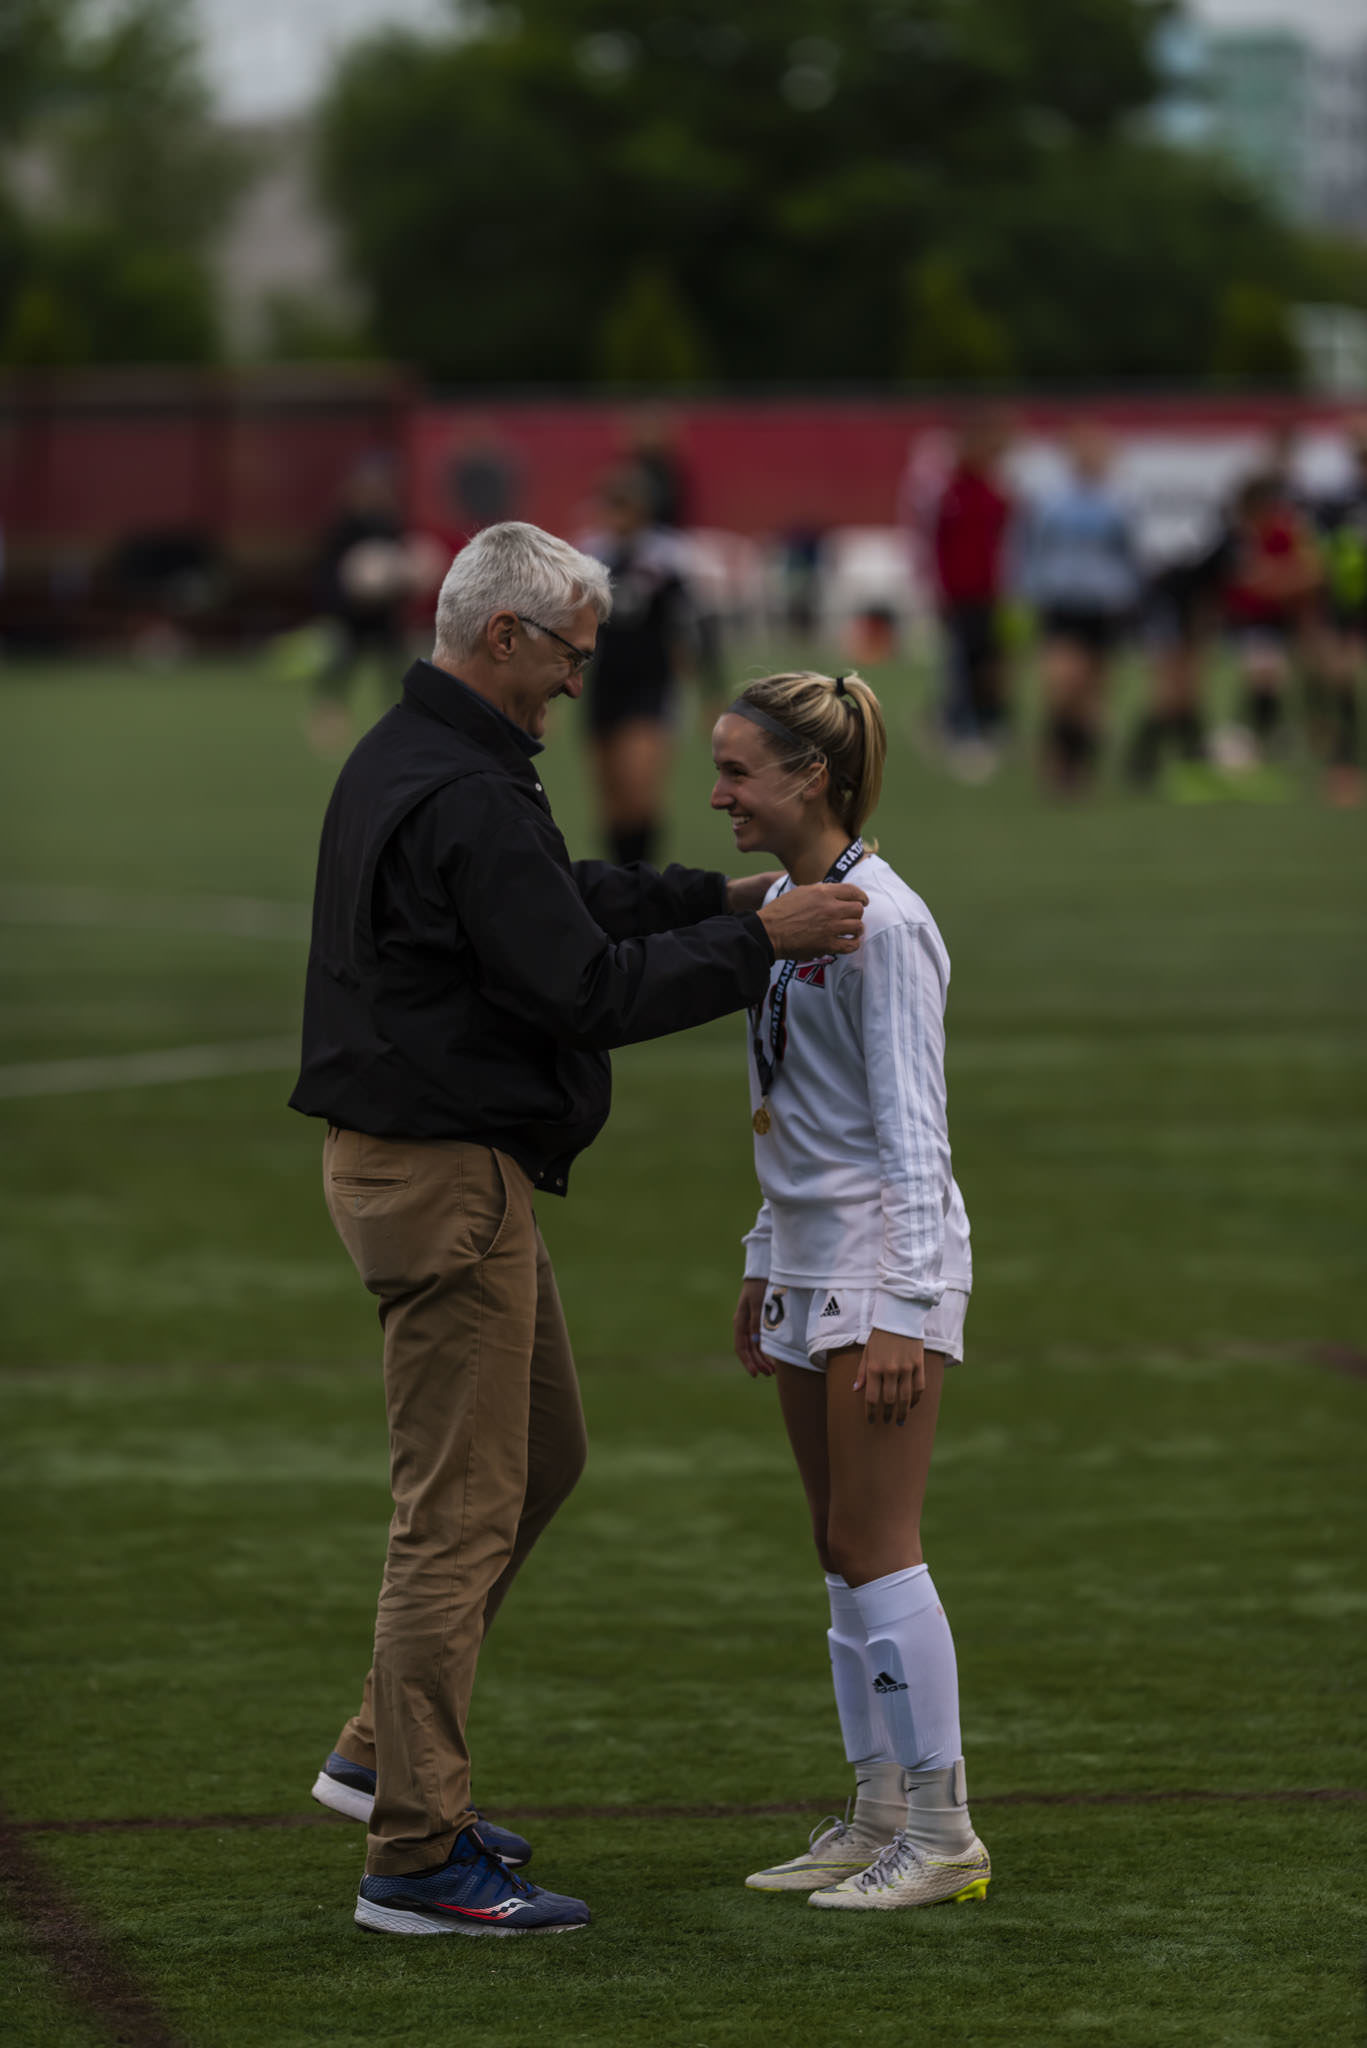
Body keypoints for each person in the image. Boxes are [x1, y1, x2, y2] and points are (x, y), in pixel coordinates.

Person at [289, 522, 868, 1939]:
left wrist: (719, 897)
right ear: (503, 638)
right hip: (443, 1179)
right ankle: (415, 1860)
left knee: (541, 1459)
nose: (580, 680)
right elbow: (580, 988)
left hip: (432, 1165)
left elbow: (559, 906)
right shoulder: (464, 788)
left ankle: (380, 1756)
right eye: (570, 653)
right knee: (457, 1517)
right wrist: (757, 948)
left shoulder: (424, 755)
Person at [711, 669, 988, 1915]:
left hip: (882, 1266)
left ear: (808, 776)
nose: (716, 793)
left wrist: (905, 1301)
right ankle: (875, 1805)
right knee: (838, 1552)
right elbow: (795, 1112)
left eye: (736, 772)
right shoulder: (783, 905)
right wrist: (763, 1251)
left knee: (879, 1549)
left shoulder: (883, 919)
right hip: (808, 1261)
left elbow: (909, 1132)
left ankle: (941, 1831)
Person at [580, 466, 698, 866]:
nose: (618, 519)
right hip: (604, 685)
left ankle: (644, 880)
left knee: (639, 791)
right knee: (611, 799)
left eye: (626, 509)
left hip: (650, 684)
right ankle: (618, 883)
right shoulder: (590, 559)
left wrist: (706, 684)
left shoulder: (666, 560)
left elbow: (689, 623)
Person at [1019, 425, 1141, 793]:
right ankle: (1057, 759)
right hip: (1061, 601)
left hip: (1104, 605)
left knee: (1093, 692)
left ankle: (1079, 767)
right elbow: (1029, 550)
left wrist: (1132, 595)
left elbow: (1130, 554)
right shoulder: (1051, 502)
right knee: (1062, 683)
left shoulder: (1118, 503)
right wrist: (1027, 589)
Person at [930, 411, 1014, 781]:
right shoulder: (950, 494)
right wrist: (942, 591)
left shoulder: (997, 496)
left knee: (991, 663)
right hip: (960, 596)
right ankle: (963, 728)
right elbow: (938, 547)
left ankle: (988, 720)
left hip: (992, 595)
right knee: (961, 664)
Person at [1309, 417, 1367, 808]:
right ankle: (1344, 769)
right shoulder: (1337, 503)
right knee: (1343, 684)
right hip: (1347, 606)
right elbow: (1318, 558)